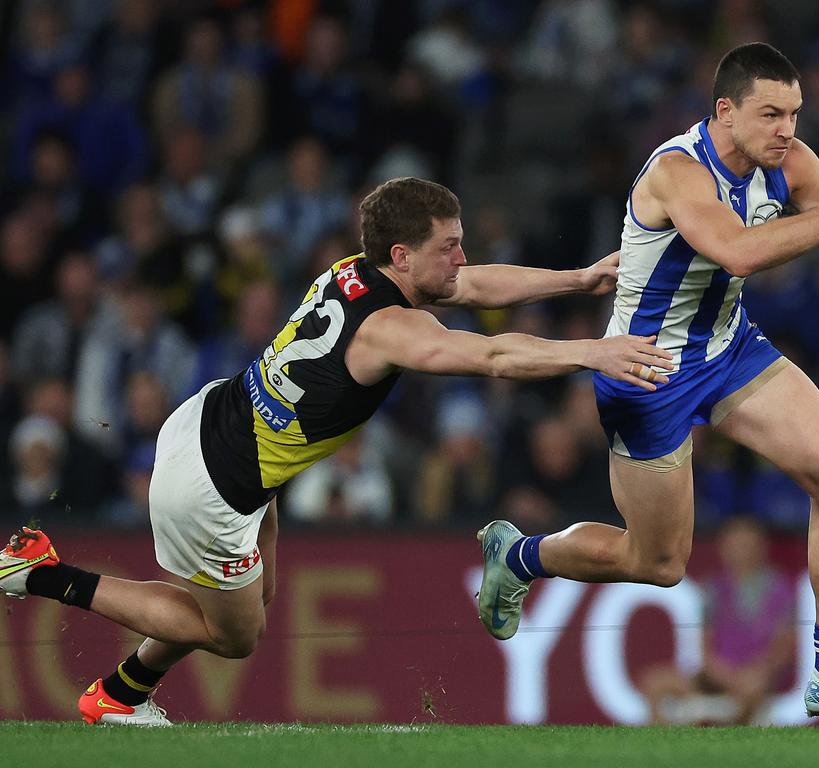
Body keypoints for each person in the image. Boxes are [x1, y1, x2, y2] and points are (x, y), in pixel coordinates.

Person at [0, 177, 673, 726]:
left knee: (258, 594)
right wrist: (593, 351)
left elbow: (472, 288)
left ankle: (121, 696)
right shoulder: (390, 328)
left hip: (212, 416)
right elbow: (492, 354)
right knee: (234, 634)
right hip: (216, 484)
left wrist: (575, 280)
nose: (461, 260)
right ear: (404, 256)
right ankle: (41, 575)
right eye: (450, 246)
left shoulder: (354, 270)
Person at [476, 42, 819, 728]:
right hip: (647, 371)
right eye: (771, 114)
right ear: (725, 112)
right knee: (656, 562)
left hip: (729, 349)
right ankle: (520, 554)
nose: (787, 130)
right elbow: (738, 250)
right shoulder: (677, 171)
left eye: (794, 114)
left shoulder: (791, 164)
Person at [639, 516, 795, 725]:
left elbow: (783, 647)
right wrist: (726, 676)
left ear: (761, 548)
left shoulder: (779, 589)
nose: (740, 551)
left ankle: (735, 745)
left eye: (747, 544)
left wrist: (757, 672)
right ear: (723, 548)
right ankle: (658, 749)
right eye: (735, 544)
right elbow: (704, 649)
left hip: (755, 676)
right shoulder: (713, 588)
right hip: (717, 676)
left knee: (752, 688)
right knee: (655, 683)